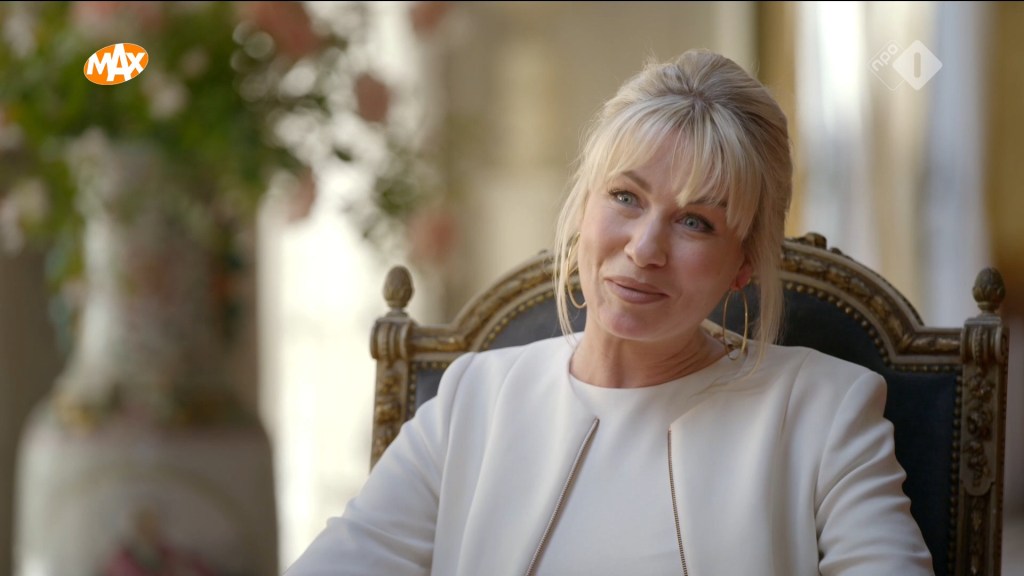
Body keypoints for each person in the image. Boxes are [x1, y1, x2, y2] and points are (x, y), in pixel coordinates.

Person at [284, 49, 934, 575]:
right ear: (583, 209)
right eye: (626, 197)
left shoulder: (827, 411)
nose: (645, 249)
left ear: (743, 264)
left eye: (695, 222)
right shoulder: (472, 401)